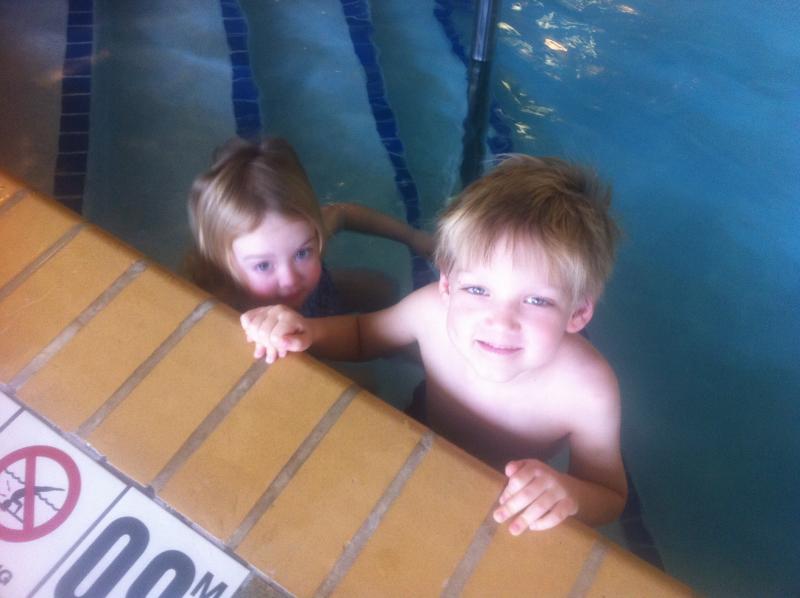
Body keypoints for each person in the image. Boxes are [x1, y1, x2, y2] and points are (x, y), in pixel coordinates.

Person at [240, 155, 628, 532]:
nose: (500, 321)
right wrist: (307, 331)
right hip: (418, 429)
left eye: (537, 300)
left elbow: (608, 493)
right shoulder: (430, 313)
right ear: (447, 285)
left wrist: (568, 494)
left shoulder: (587, 390)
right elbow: (362, 335)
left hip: (500, 504)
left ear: (578, 312)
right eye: (478, 289)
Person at [186, 136, 434, 315]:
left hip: (320, 298)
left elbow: (344, 213)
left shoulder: (298, 235)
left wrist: (412, 236)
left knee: (384, 288)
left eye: (302, 253)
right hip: (289, 332)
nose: (290, 279)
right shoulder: (227, 307)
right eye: (263, 265)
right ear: (225, 263)